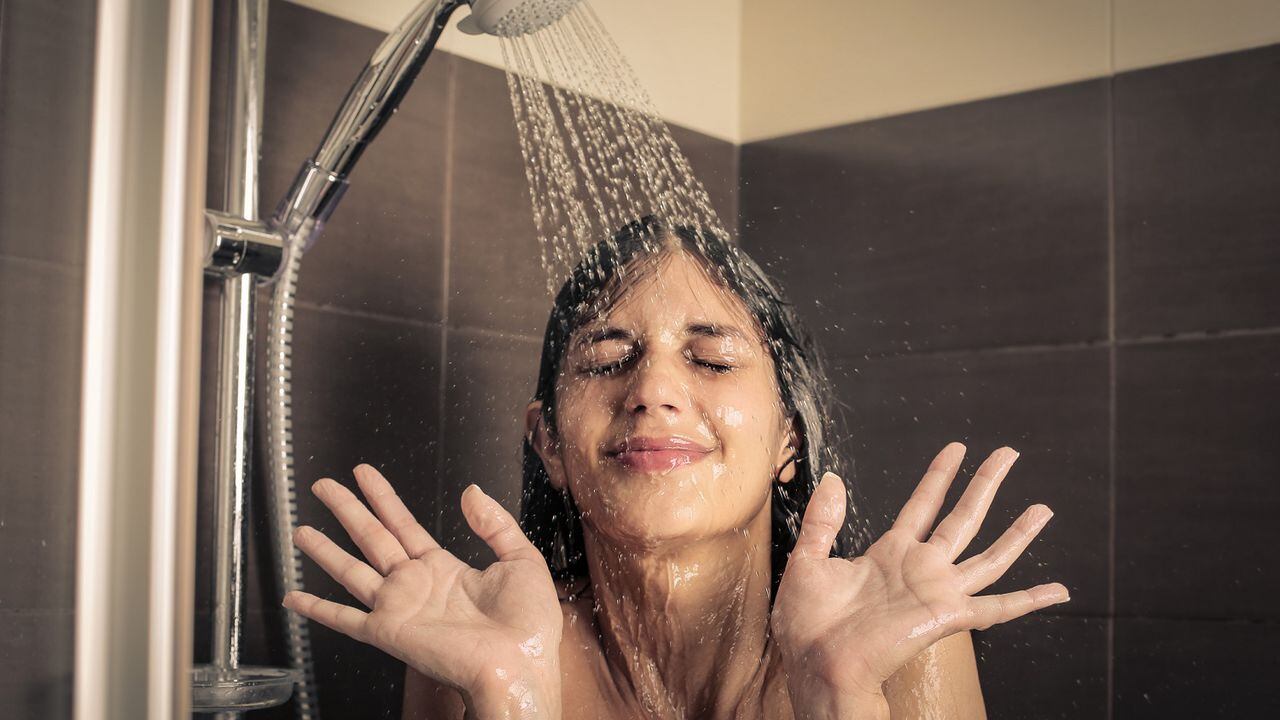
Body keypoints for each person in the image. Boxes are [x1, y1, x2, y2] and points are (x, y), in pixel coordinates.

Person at [283, 216, 1070, 719]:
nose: (654, 392)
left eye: (712, 360)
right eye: (607, 360)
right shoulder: (474, 649)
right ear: (549, 443)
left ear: (788, 439)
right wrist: (506, 696)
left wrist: (842, 695)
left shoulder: (898, 648)